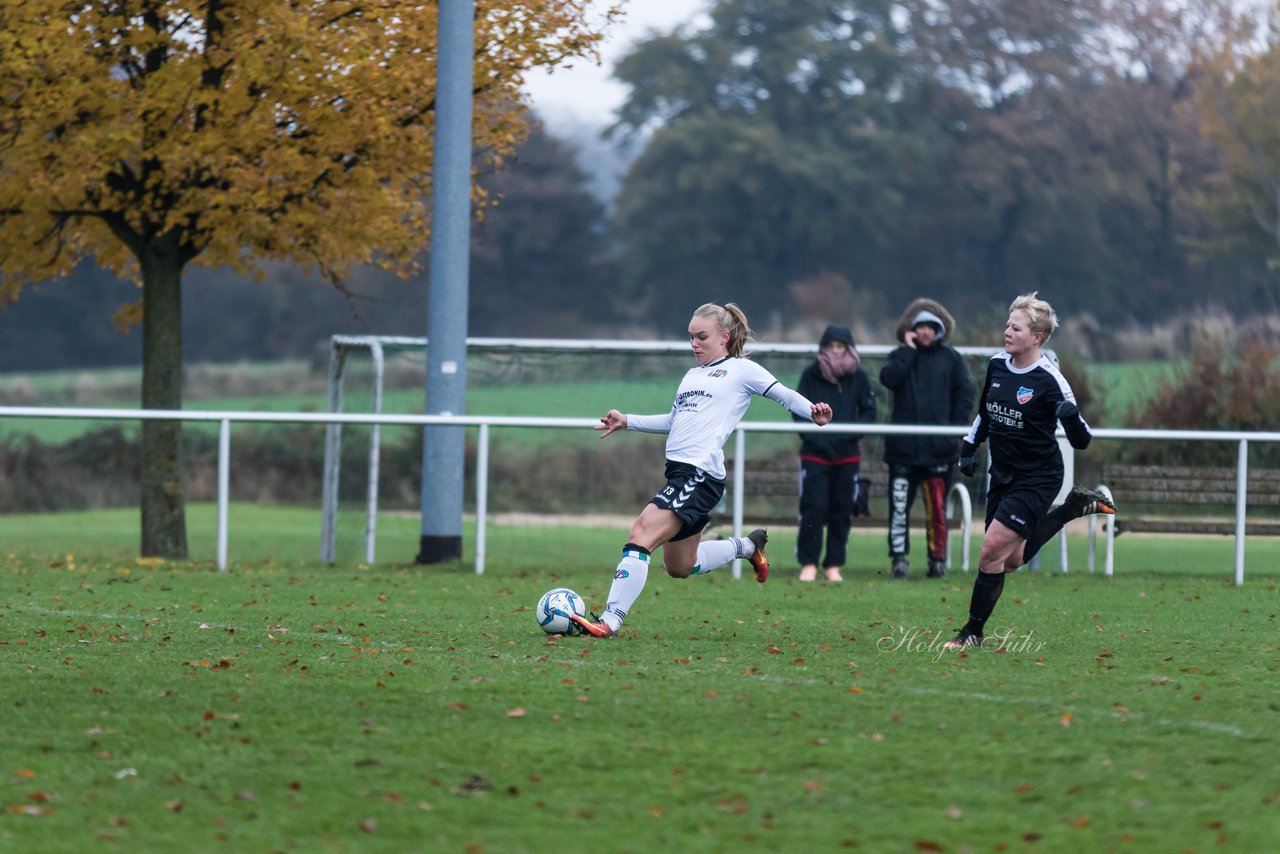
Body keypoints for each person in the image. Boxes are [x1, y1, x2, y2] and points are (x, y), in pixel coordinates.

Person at [570, 303, 834, 637]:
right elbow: (674, 420)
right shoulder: (692, 376)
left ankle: (610, 621)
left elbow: (783, 395)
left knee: (640, 535)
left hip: (698, 474)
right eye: (691, 337)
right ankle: (748, 547)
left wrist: (813, 411)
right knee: (680, 566)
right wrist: (628, 421)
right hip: (681, 474)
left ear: (725, 337)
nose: (694, 344)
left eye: (702, 337)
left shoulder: (741, 370)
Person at [942, 292, 1116, 650]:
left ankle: (971, 633)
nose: (1007, 331)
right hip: (1002, 475)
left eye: (1016, 327)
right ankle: (1071, 509)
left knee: (990, 551)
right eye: (1007, 324)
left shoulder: (1051, 380)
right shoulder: (996, 365)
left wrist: (1070, 419)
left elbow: (1082, 440)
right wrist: (968, 448)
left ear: (1036, 337)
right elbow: (986, 414)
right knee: (1011, 560)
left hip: (1038, 477)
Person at [879, 299, 975, 580]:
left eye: (930, 327)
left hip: (939, 451)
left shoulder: (952, 359)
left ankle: (937, 560)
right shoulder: (899, 355)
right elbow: (889, 379)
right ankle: (899, 560)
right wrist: (908, 352)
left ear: (939, 330)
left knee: (937, 511)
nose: (925, 332)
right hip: (902, 451)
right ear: (911, 331)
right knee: (899, 510)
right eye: (919, 327)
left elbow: (965, 395)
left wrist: (953, 431)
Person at [793, 325, 877, 582]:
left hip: (847, 455)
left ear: (849, 349)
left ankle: (833, 565)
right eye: (831, 346)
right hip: (815, 454)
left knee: (842, 509)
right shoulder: (810, 375)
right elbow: (798, 411)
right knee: (814, 508)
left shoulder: (859, 379)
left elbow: (868, 413)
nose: (836, 351)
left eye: (841, 346)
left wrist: (847, 437)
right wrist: (819, 438)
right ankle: (808, 563)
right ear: (823, 348)